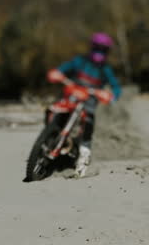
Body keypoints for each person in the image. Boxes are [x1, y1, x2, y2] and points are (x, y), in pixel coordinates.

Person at [46, 33, 122, 177]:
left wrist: (111, 95)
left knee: (87, 127)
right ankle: (48, 139)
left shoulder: (106, 70)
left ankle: (83, 158)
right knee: (51, 111)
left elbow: (116, 88)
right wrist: (57, 73)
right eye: (97, 48)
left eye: (103, 49)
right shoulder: (79, 61)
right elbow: (62, 69)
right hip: (69, 100)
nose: (99, 52)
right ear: (92, 47)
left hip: (88, 105)